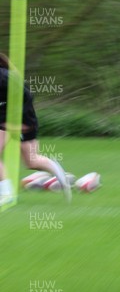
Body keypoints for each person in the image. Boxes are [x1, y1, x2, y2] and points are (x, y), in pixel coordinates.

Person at [0, 53, 71, 204]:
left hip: (23, 119)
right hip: (3, 121)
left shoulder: (5, 77)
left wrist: (19, 122)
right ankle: (6, 194)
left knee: (32, 161)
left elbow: (27, 96)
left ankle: (60, 175)